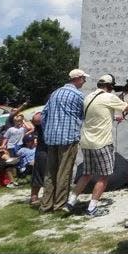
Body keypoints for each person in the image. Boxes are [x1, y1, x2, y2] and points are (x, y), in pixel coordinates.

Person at [64, 74, 128, 217]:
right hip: (102, 143)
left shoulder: (89, 97)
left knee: (87, 174)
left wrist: (114, 116)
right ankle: (92, 208)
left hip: (86, 142)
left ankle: (71, 202)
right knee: (104, 176)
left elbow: (99, 114)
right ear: (110, 86)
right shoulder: (109, 97)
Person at [40, 69, 87, 213]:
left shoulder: (55, 93)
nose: (84, 81)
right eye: (84, 79)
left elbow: (43, 115)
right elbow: (84, 114)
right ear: (78, 78)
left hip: (51, 137)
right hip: (68, 137)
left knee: (50, 172)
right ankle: (59, 204)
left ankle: (46, 204)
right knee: (64, 172)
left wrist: (47, 131)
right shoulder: (78, 95)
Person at [29, 111, 48, 206]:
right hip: (43, 148)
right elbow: (36, 119)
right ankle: (34, 196)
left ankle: (49, 196)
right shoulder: (43, 112)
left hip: (54, 147)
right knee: (39, 172)